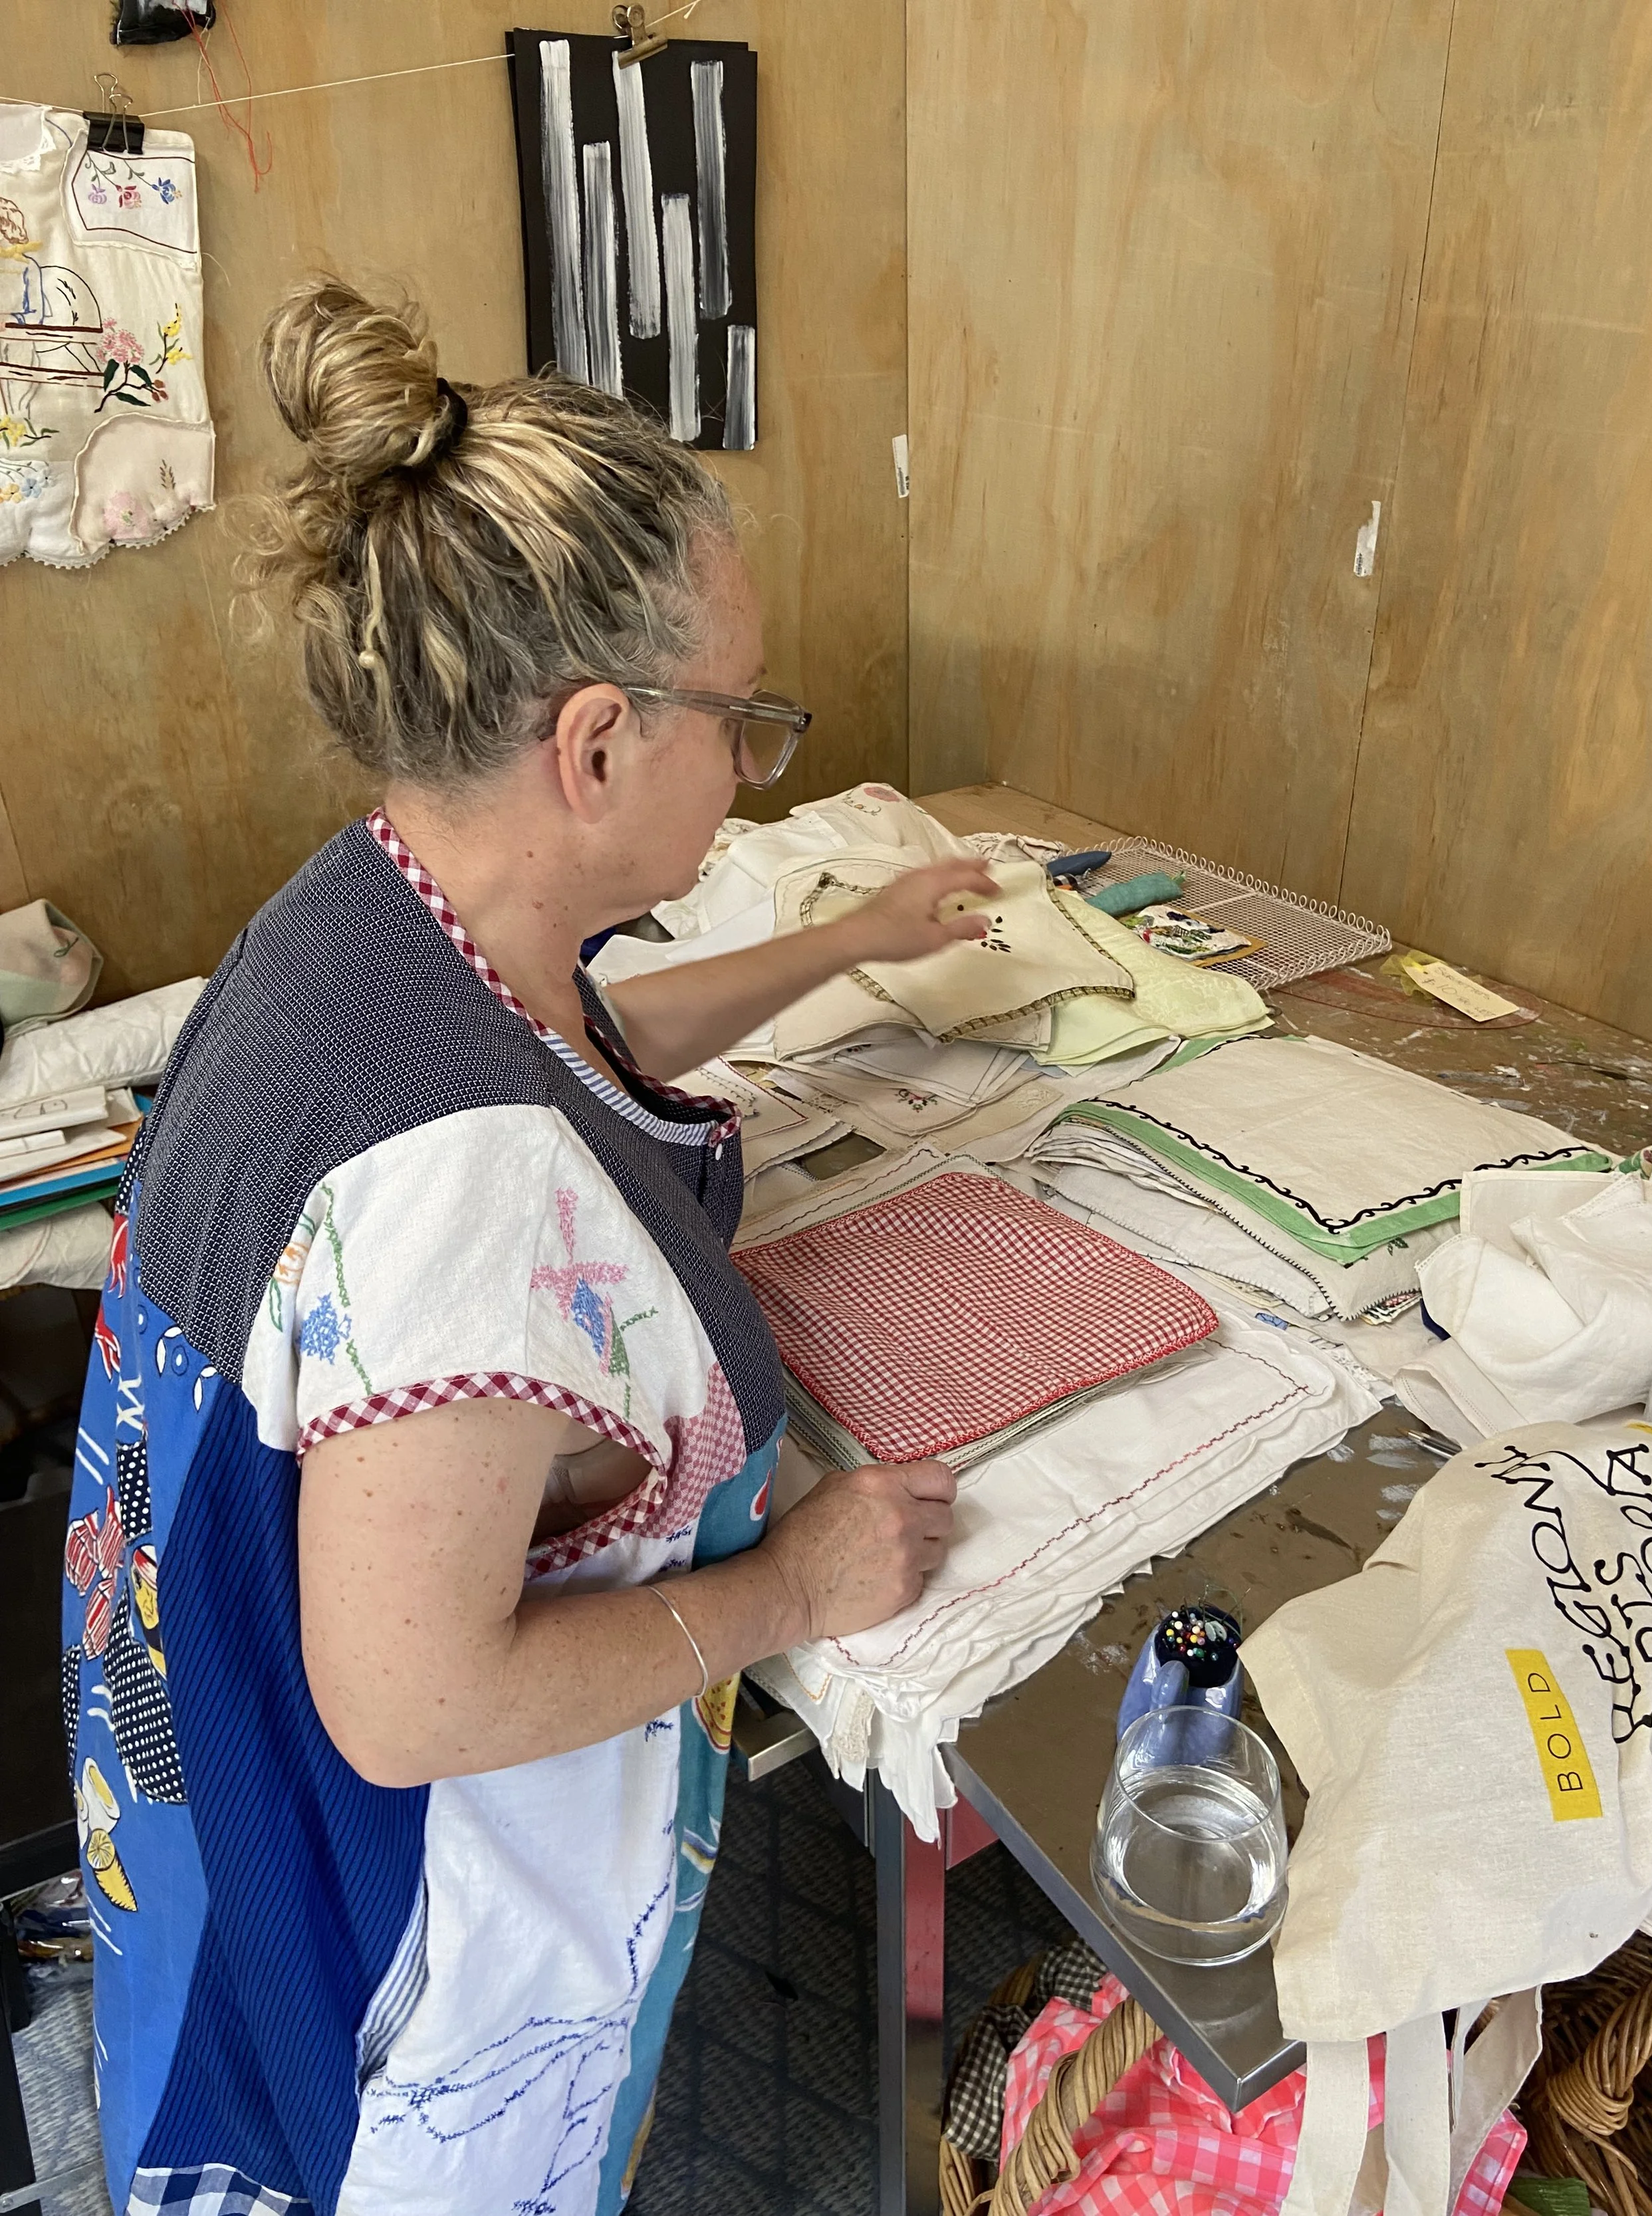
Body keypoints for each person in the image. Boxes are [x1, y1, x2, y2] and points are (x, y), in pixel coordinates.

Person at [62, 279, 998, 2216]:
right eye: (739, 719)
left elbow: (578, 1046)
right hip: (390, 1932)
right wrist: (797, 1583)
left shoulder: (382, 909)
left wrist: (847, 940)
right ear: (591, 744)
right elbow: (407, 1699)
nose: (751, 754)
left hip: (197, 1761)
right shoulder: (457, 1182)